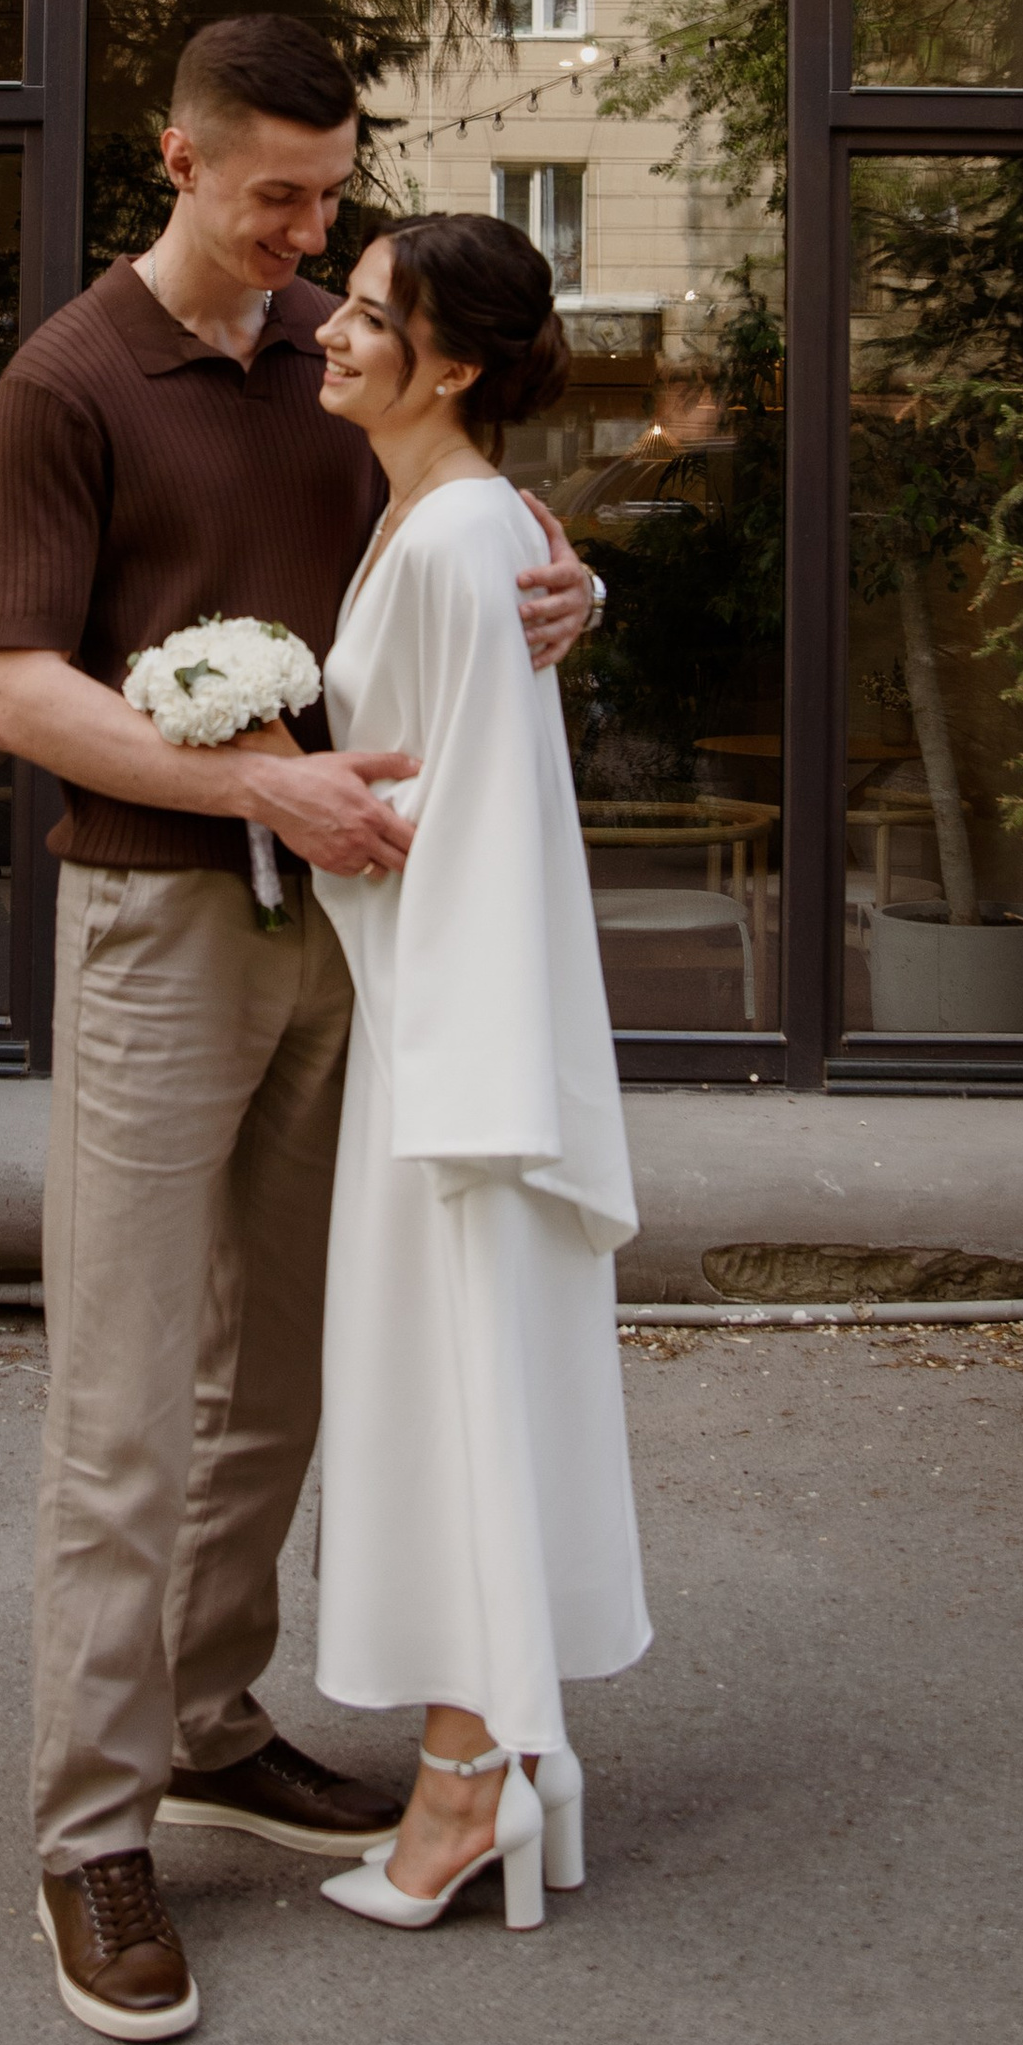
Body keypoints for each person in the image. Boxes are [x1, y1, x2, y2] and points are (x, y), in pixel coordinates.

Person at [0, 16, 596, 2044]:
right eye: (278, 198)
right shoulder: (66, 382)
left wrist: (566, 597)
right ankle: (91, 1831)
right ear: (177, 159)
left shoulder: (348, 355)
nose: (313, 239)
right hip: (162, 924)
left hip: (351, 932)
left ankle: (209, 1721)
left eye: (332, 199)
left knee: (283, 1379)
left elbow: (459, 543)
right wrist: (255, 784)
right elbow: (19, 691)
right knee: (127, 1402)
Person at [306, 211, 650, 1933]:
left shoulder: (456, 538)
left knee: (453, 1403)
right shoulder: (451, 517)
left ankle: (470, 1779)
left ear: (449, 366)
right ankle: (514, 1752)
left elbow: (487, 803)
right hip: (441, 1022)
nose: (332, 327)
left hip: (454, 1046)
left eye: (370, 313)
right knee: (461, 1398)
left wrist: (313, 804)